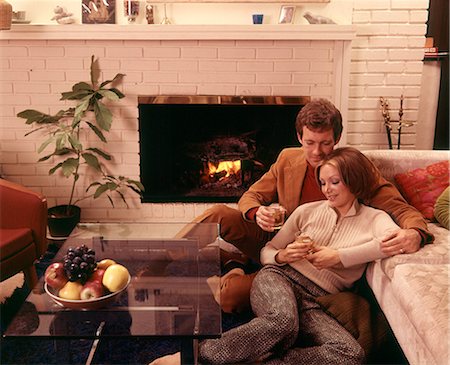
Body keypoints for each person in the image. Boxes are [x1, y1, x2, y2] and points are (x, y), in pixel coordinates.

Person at [150, 147, 406, 365]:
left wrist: (339, 257)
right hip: (278, 278)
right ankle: (192, 357)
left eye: (334, 182)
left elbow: (393, 243)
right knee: (283, 322)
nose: (327, 189)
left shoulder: (376, 219)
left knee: (350, 354)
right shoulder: (308, 212)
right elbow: (267, 253)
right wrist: (283, 256)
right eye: (323, 182)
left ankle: (255, 359)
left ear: (354, 179)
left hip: (316, 300)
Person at [190, 98, 432, 313]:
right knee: (217, 214)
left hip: (303, 267)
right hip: (274, 239)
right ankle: (160, 263)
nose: (316, 152)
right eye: (309, 142)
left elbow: (401, 208)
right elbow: (250, 196)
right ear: (299, 138)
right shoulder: (288, 158)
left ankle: (234, 264)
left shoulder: (353, 169)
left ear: (336, 139)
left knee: (228, 297)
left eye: (325, 143)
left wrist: (416, 233)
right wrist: (257, 212)